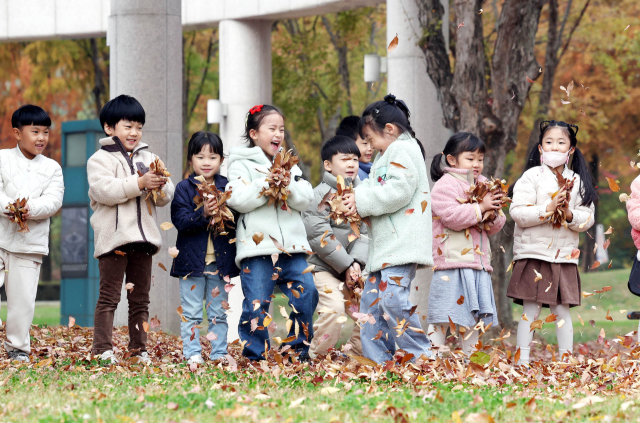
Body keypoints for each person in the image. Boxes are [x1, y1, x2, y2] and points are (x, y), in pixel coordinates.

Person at [342, 94, 432, 363]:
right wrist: (354, 200)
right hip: (385, 248)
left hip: (401, 244)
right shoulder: (387, 154)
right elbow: (371, 187)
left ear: (390, 130)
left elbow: (399, 190)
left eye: (370, 139)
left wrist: (360, 200)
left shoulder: (403, 150)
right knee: (371, 307)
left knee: (393, 300)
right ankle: (379, 361)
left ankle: (420, 355)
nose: (368, 147)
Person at [225, 104, 318, 361]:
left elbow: (306, 199)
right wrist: (266, 181)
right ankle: (257, 355)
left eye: (282, 129)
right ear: (254, 134)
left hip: (292, 248)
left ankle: (298, 351)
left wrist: (287, 183)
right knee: (256, 304)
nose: (278, 134)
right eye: (272, 128)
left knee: (307, 291)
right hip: (257, 249)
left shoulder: (290, 165)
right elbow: (237, 199)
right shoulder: (240, 163)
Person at [88, 94, 175, 364]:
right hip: (114, 240)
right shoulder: (99, 159)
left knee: (140, 300)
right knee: (110, 297)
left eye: (138, 126)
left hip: (144, 239)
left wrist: (160, 186)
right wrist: (139, 183)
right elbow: (104, 191)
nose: (134, 132)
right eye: (127, 126)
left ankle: (139, 350)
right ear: (109, 128)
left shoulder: (150, 158)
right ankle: (102, 349)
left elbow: (165, 195)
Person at [508, 120, 596, 364]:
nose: (554, 148)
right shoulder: (531, 177)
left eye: (560, 143)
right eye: (549, 142)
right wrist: (547, 209)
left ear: (571, 150)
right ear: (540, 149)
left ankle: (565, 359)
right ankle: (522, 360)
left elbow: (587, 218)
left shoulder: (577, 181)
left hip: (563, 256)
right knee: (531, 310)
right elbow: (518, 213)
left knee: (561, 310)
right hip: (533, 254)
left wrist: (568, 214)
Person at [427, 133, 505, 357]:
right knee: (442, 316)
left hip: (477, 263)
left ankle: (472, 363)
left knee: (473, 319)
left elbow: (496, 225)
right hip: (451, 263)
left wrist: (493, 214)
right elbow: (452, 217)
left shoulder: (485, 185)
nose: (477, 164)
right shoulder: (445, 185)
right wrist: (481, 208)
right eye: (470, 159)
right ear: (452, 160)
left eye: (480, 159)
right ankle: (429, 360)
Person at [0, 105, 64, 363]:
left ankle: (17, 349)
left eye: (46, 132)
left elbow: (53, 201)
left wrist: (29, 208)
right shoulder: (2, 159)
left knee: (23, 302)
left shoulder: (52, 168)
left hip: (30, 246)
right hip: (0, 238)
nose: (41, 138)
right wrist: (11, 208)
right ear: (17, 133)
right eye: (35, 131)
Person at [170, 131, 239, 365]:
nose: (206, 162)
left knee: (218, 312)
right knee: (191, 313)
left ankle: (219, 353)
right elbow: (180, 221)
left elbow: (236, 222)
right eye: (200, 157)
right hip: (191, 263)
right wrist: (203, 213)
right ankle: (192, 353)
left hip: (220, 263)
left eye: (213, 157)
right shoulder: (183, 189)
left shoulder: (228, 188)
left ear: (221, 160)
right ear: (191, 160)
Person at [302, 135, 368, 357]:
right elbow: (319, 235)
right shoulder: (318, 195)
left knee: (370, 307)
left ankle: (355, 357)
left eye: (355, 159)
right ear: (328, 165)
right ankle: (318, 358)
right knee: (334, 310)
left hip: (354, 268)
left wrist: (357, 263)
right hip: (324, 269)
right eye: (345, 159)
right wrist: (348, 264)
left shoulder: (363, 195)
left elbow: (366, 233)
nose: (352, 164)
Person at [336, 116, 374, 180]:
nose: (370, 148)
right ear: (349, 144)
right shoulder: (353, 174)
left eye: (371, 142)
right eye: (365, 143)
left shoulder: (371, 169)